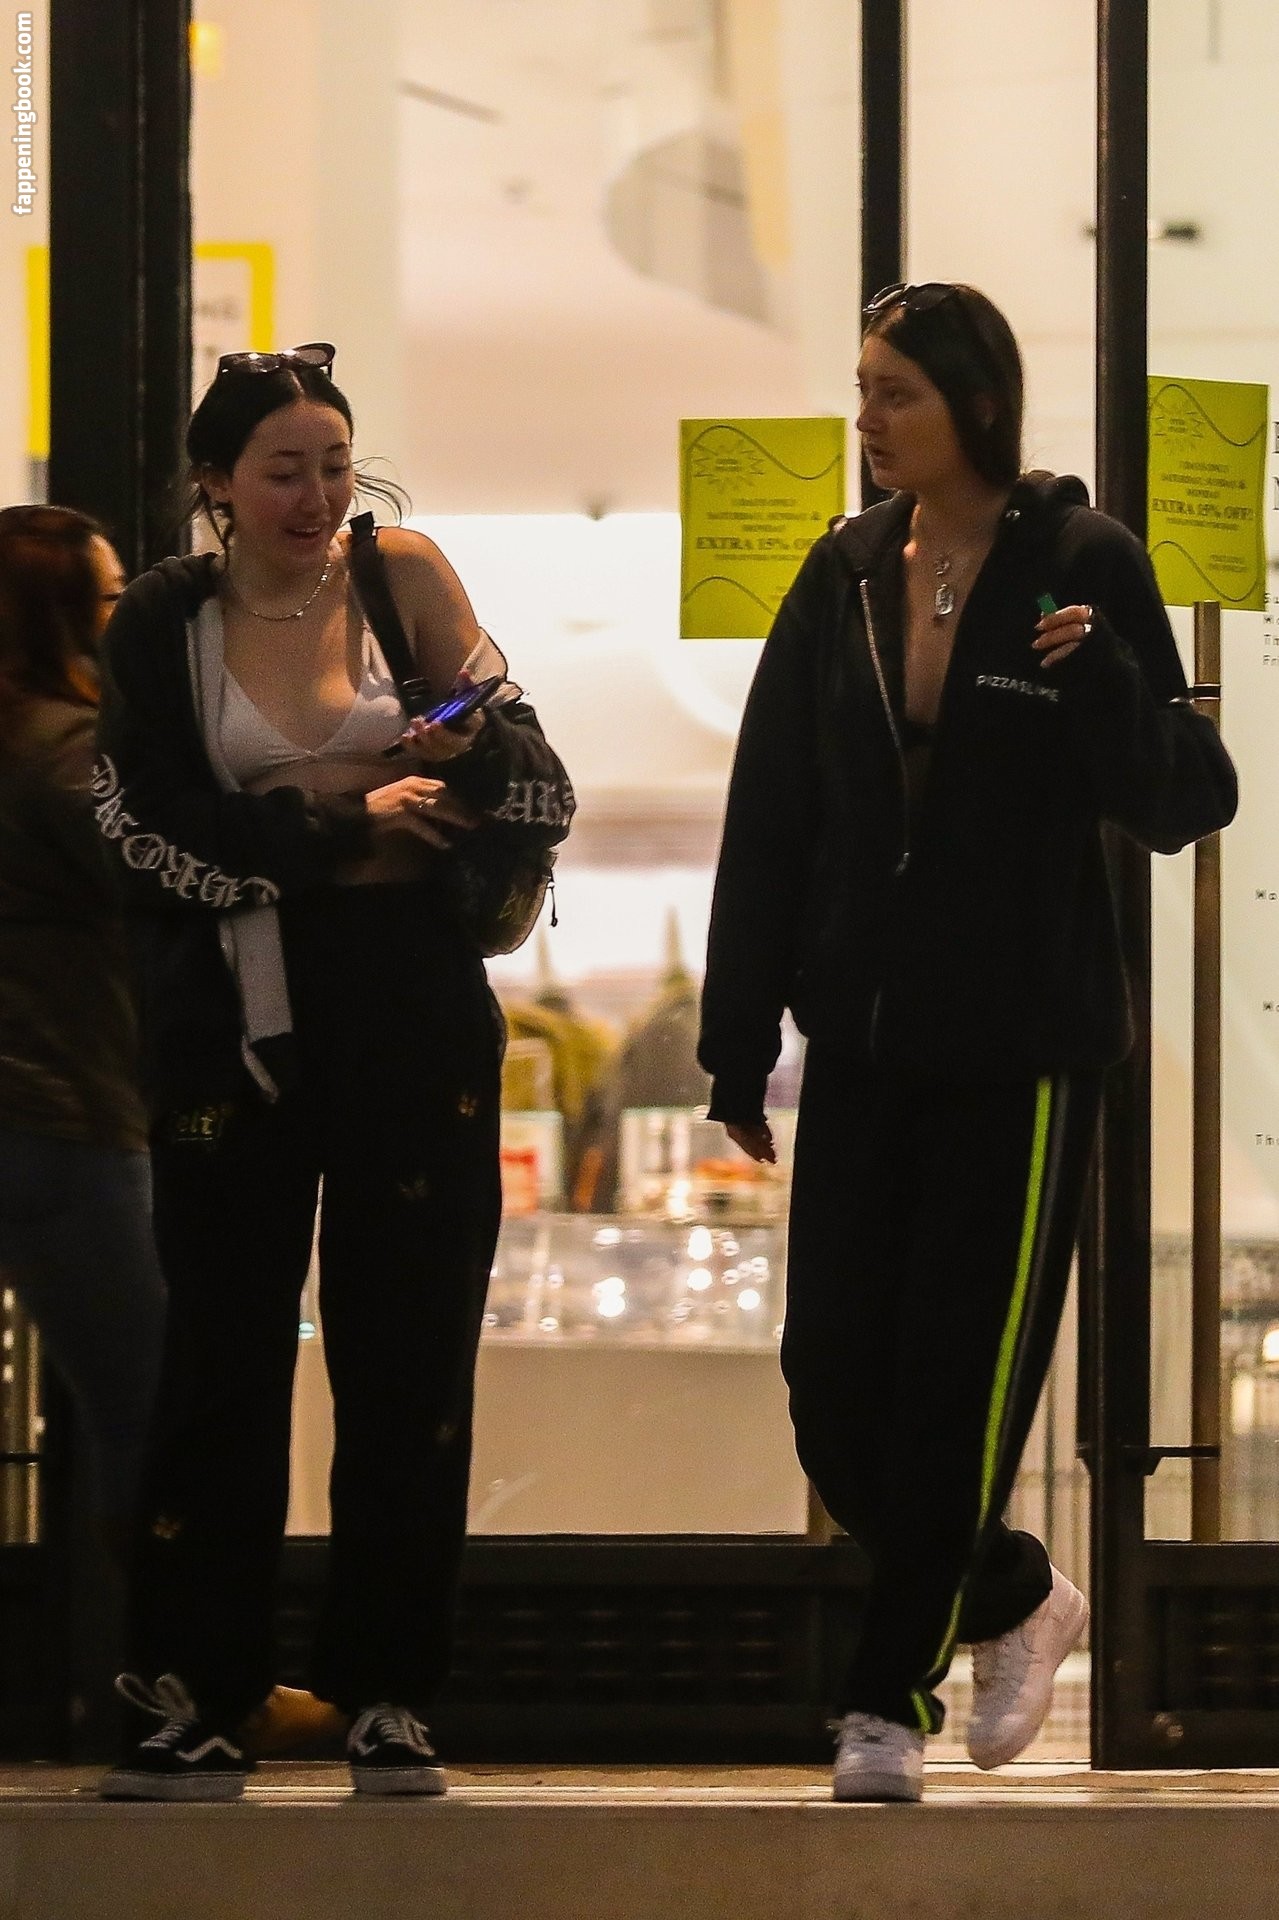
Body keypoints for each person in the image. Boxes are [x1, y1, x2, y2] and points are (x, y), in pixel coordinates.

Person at [698, 283, 1237, 1803]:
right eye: (862, 388)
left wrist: (1103, 686)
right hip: (863, 1043)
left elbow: (1185, 797)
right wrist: (736, 1039)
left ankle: (884, 1703)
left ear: (974, 405)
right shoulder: (843, 570)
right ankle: (1012, 1591)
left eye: (896, 394)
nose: (866, 419)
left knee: (956, 1385)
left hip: (1020, 1045)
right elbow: (771, 811)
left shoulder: (1080, 560)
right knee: (827, 1389)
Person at [93, 342, 573, 1801]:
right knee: (220, 1360)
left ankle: (389, 1691)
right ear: (215, 484)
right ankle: (198, 1688)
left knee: (407, 1361)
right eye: (282, 473)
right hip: (232, 1025)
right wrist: (341, 823)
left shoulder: (399, 577)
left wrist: (455, 753)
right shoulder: (165, 619)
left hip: (411, 1012)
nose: (315, 500)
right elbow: (145, 837)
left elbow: (539, 785)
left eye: (336, 467)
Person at [0, 504, 165, 1547]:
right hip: (61, 1112)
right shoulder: (62, 749)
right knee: (148, 1406)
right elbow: (155, 876)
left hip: (34, 1104)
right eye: (108, 599)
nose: (123, 616)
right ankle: (158, 1633)